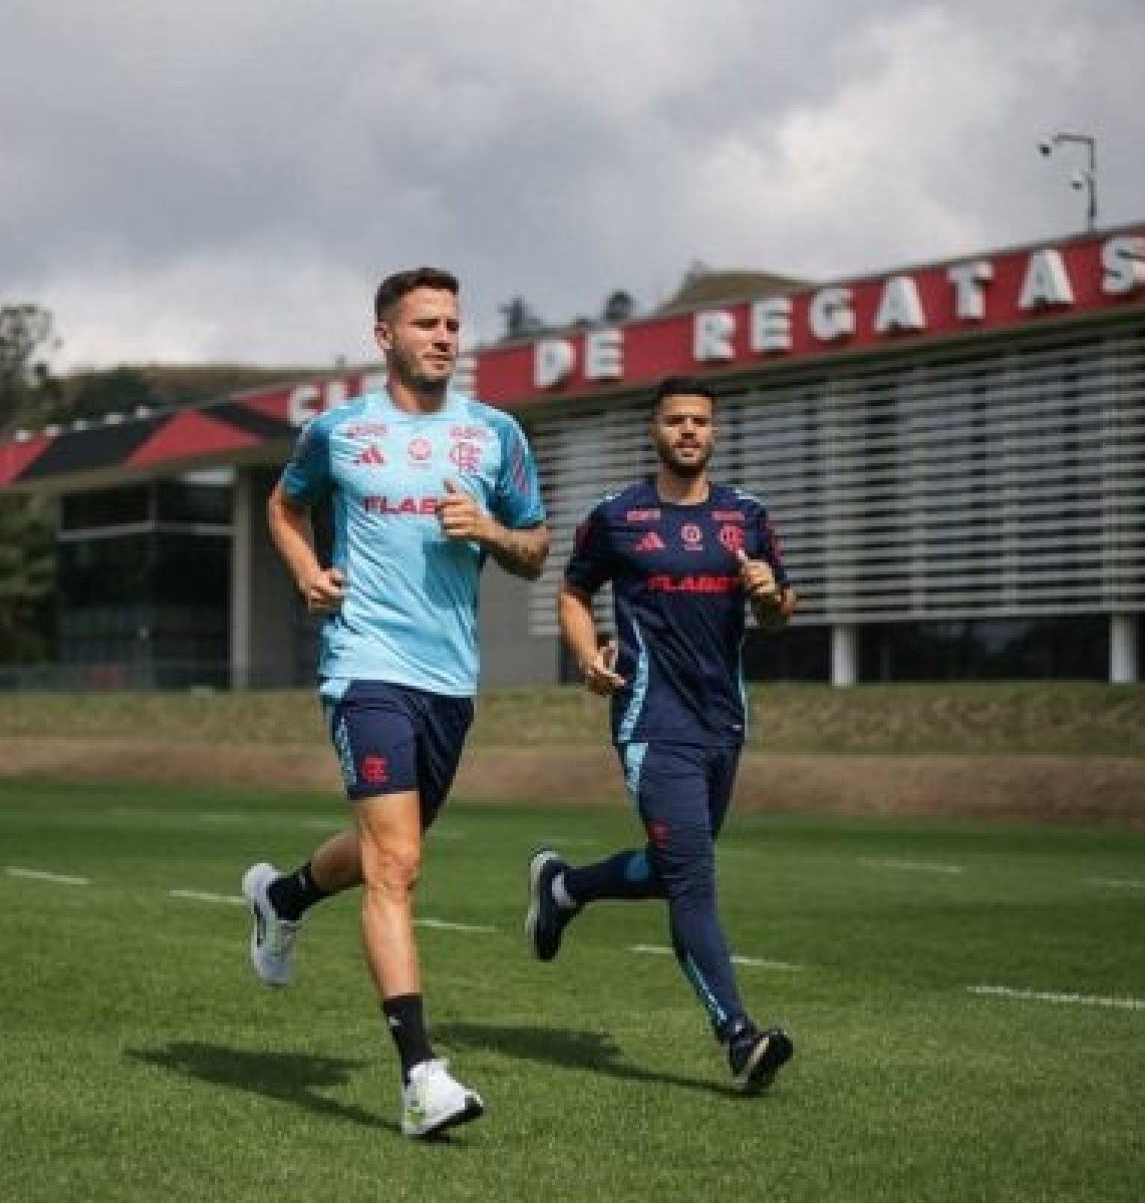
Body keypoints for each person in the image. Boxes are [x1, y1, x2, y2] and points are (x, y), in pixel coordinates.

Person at [242, 266, 550, 1138]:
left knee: (388, 850)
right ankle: (420, 1075)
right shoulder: (337, 433)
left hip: (451, 682)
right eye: (426, 324)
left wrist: (489, 530)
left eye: (453, 323)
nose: (445, 337)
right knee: (399, 863)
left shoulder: (495, 436)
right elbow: (283, 505)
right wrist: (308, 575)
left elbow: (534, 545)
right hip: (363, 666)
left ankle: (286, 897)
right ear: (386, 338)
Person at [526, 374, 798, 1094]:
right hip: (652, 721)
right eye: (675, 419)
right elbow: (573, 591)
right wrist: (587, 656)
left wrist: (771, 596)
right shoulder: (616, 516)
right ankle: (740, 1037)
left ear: (713, 432)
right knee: (692, 879)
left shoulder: (748, 517)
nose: (688, 430)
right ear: (655, 429)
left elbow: (781, 606)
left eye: (700, 421)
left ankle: (564, 888)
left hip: (724, 720)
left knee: (675, 862)